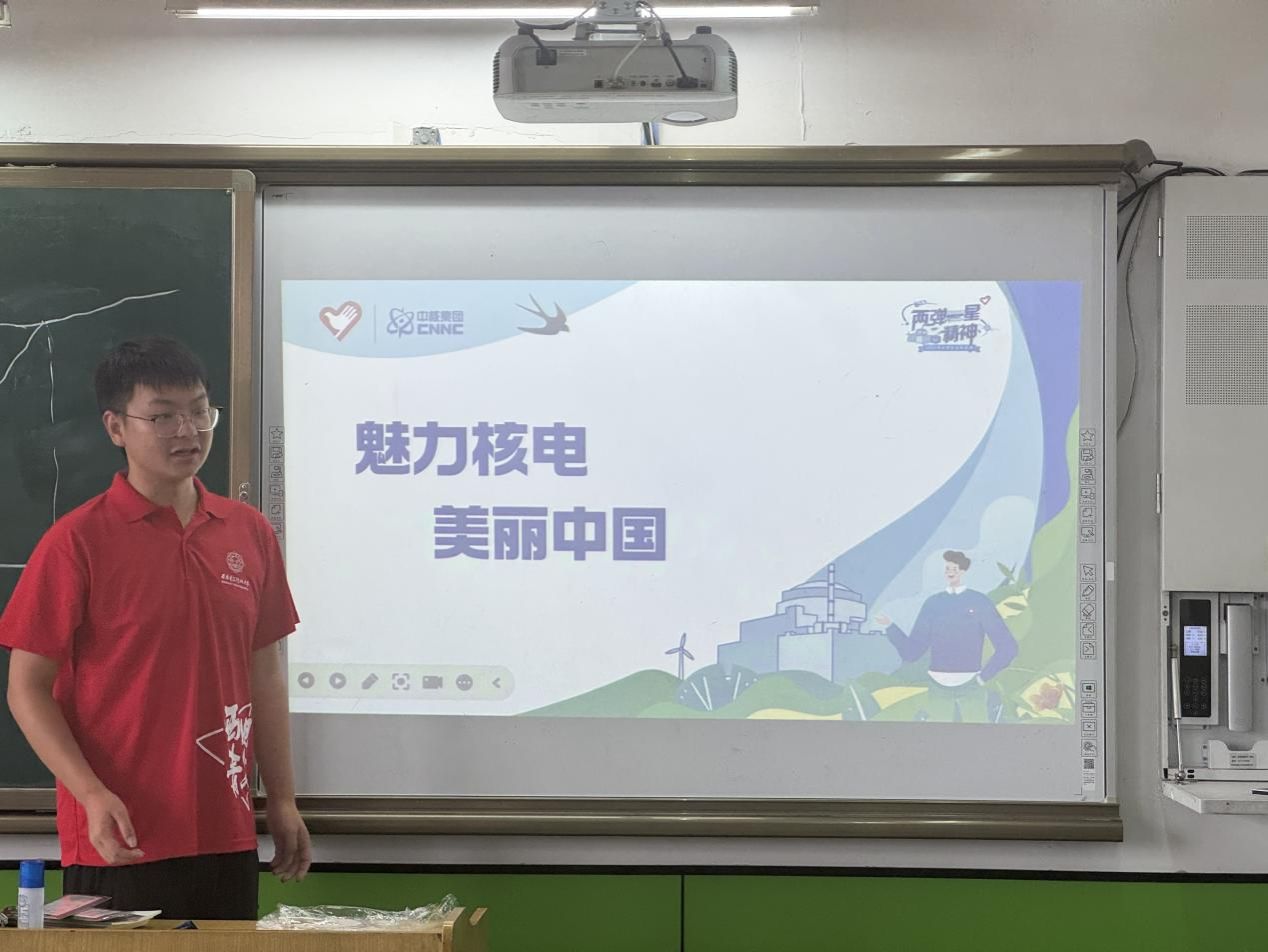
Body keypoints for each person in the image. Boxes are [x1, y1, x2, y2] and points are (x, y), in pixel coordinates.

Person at [0, 337, 310, 920]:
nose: (187, 431)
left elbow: (263, 672)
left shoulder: (247, 532)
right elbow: (26, 688)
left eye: (199, 411)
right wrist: (90, 793)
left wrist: (283, 798)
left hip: (225, 831)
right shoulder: (77, 542)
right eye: (163, 416)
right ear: (116, 427)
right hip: (119, 834)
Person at [874, 550, 1018, 720]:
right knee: (937, 734)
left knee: (978, 732)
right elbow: (912, 652)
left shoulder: (979, 602)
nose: (950, 572)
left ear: (963, 571)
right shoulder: (933, 604)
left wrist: (983, 677)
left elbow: (1008, 647)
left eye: (954, 568)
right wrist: (890, 627)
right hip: (938, 689)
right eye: (947, 569)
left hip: (972, 686)